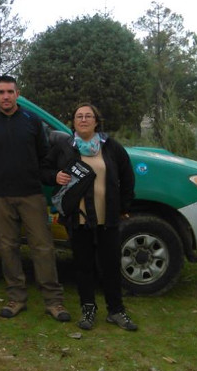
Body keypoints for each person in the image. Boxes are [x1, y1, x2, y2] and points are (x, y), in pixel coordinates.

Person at [0, 75, 70, 322]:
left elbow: (44, 156)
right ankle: (16, 298)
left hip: (31, 194)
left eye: (10, 91)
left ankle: (53, 301)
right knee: (7, 248)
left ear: (17, 94)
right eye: (1, 92)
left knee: (42, 247)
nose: (6, 96)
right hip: (1, 196)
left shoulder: (32, 120)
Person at [43, 103, 137, 331]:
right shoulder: (64, 147)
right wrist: (55, 176)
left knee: (111, 265)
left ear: (96, 121)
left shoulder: (111, 147)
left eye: (88, 116)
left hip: (108, 218)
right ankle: (88, 309)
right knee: (83, 266)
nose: (83, 120)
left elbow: (127, 176)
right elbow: (43, 170)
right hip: (78, 218)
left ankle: (116, 311)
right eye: (79, 116)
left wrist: (124, 205)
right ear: (73, 122)